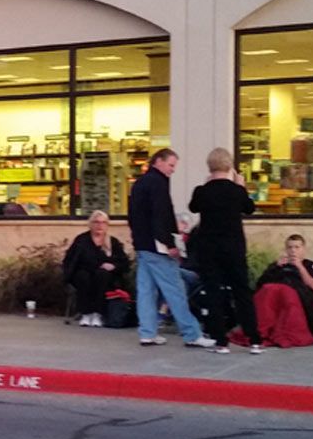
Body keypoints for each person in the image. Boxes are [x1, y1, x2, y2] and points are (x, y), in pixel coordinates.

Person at [129, 148, 214, 348]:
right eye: (171, 165)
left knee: (146, 290)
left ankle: (147, 332)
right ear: (158, 161)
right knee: (175, 289)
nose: (173, 170)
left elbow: (134, 216)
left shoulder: (139, 183)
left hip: (143, 244)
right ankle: (192, 333)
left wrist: (139, 239)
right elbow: (161, 216)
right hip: (158, 247)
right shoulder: (158, 183)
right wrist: (170, 244)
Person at [189, 147, 262, 355]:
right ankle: (254, 340)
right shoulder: (236, 191)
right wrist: (241, 186)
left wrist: (206, 185)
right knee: (241, 291)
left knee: (213, 292)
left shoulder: (202, 191)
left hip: (209, 249)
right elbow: (249, 208)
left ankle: (220, 341)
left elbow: (193, 207)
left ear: (209, 167)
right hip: (234, 247)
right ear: (230, 166)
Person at [234, 234, 313, 348]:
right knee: (268, 290)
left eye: (297, 247)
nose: (293, 250)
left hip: (300, 297)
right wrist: (275, 268)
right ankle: (258, 331)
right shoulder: (278, 264)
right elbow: (260, 284)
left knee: (285, 293)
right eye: (290, 247)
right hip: (273, 295)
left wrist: (300, 267)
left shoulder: (310, 266)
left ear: (304, 249)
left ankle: (285, 332)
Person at [63, 210, 130, 327]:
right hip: (84, 272)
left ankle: (97, 314)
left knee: (102, 276)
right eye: (96, 222)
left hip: (106, 276)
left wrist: (113, 266)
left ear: (107, 225)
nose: (100, 225)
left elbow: (124, 263)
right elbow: (70, 260)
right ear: (90, 224)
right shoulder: (81, 240)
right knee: (83, 277)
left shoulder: (112, 242)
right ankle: (86, 313)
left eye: (103, 222)